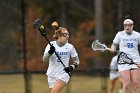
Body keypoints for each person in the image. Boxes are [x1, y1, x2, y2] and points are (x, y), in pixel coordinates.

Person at [42, 22, 80, 93]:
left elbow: (77, 61)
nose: (68, 36)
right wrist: (50, 52)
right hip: (51, 74)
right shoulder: (50, 45)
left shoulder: (70, 47)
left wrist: (71, 67)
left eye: (68, 34)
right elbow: (44, 60)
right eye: (65, 34)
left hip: (64, 74)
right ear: (59, 36)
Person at [109, 18, 140, 93]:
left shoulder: (137, 35)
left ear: (132, 26)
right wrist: (112, 49)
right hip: (123, 60)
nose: (127, 27)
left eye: (129, 25)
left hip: (135, 60)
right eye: (125, 25)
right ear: (123, 26)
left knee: (136, 83)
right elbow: (114, 45)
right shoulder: (119, 34)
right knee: (126, 82)